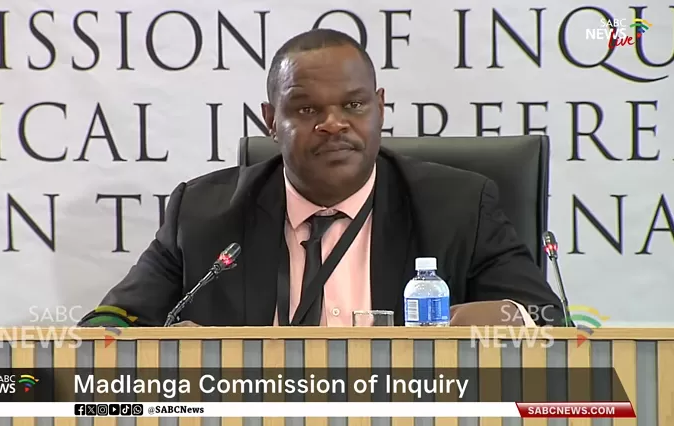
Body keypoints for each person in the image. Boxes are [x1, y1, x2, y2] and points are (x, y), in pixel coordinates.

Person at [78, 29, 565, 329]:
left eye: (353, 104)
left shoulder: (457, 206)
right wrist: (158, 346)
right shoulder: (203, 214)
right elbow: (108, 323)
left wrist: (508, 317)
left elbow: (548, 318)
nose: (334, 124)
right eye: (307, 109)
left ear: (380, 108)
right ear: (272, 120)